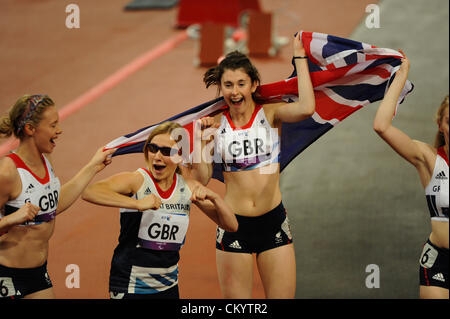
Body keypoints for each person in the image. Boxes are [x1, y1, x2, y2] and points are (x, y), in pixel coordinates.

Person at [191, 31, 315, 298]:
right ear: (221, 88)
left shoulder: (269, 115)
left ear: (254, 85)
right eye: (228, 85)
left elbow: (306, 107)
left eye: (241, 84)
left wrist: (300, 57)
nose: (235, 92)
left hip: (274, 222)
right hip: (234, 226)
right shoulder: (215, 124)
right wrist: (201, 144)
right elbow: (199, 179)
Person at [82, 121, 238, 299]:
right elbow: (90, 192)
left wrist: (216, 198)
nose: (157, 156)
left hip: (168, 286)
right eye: (153, 148)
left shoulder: (186, 188)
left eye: (166, 151)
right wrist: (137, 204)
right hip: (131, 285)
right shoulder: (137, 180)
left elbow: (231, 225)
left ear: (180, 156)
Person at [0, 94, 114, 299]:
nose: (59, 130)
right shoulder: (8, 172)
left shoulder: (46, 159)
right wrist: (11, 219)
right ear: (30, 129)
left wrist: (93, 167)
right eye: (53, 125)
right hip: (6, 275)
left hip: (37, 274)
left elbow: (55, 204)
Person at [373, 53, 448, 299]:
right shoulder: (428, 158)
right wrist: (400, 78)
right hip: (440, 262)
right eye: (449, 120)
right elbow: (382, 126)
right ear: (440, 124)